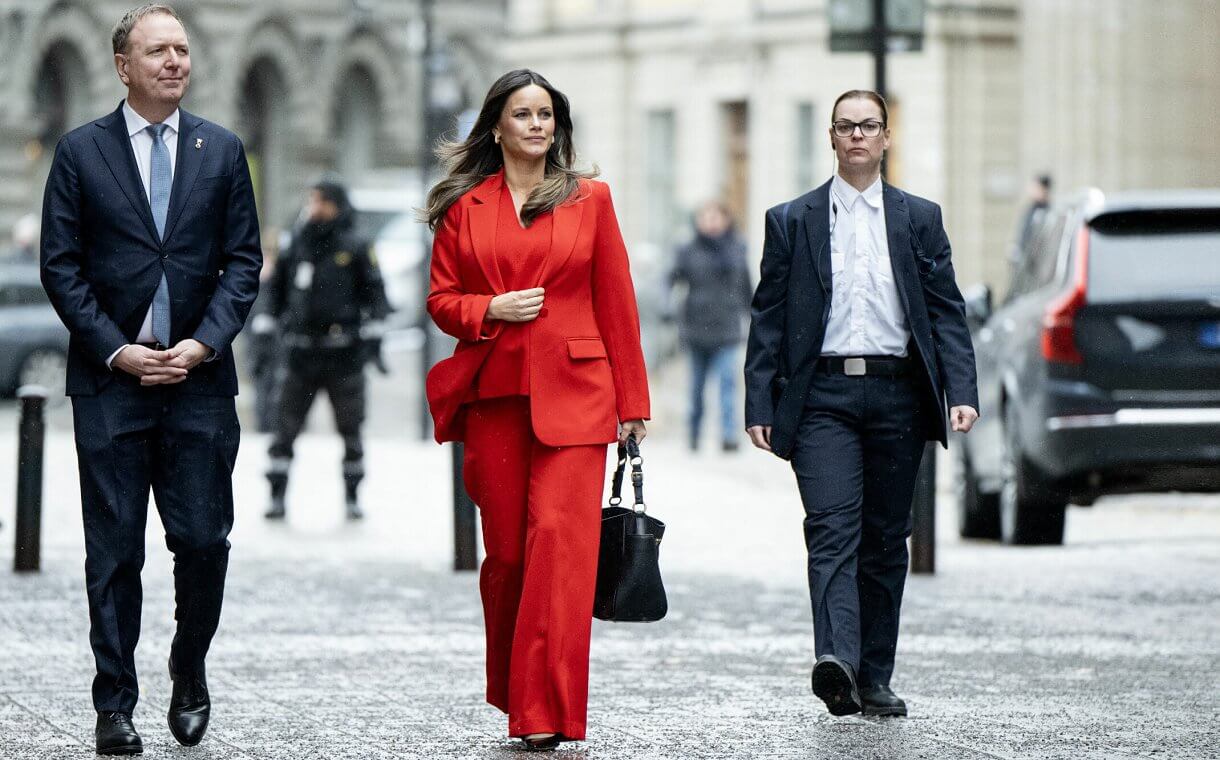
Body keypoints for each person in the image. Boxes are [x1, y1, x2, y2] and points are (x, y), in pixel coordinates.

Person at [38, 4, 261, 755]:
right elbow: (61, 269)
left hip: (198, 381)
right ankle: (115, 704)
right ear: (123, 65)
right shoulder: (79, 152)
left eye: (182, 50)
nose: (175, 62)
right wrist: (114, 349)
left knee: (202, 541)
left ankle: (188, 669)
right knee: (116, 552)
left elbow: (243, 264)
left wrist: (202, 343)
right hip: (112, 385)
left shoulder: (222, 149)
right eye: (158, 51)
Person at [423, 68, 650, 751]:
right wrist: (488, 308)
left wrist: (633, 402)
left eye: (546, 114)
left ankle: (544, 712)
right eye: (522, 113)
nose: (536, 124)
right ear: (497, 125)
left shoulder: (591, 199)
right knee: (510, 559)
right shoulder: (467, 207)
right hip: (495, 396)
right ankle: (515, 686)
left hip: (578, 397)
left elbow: (618, 301)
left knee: (559, 545)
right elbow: (441, 301)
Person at [744, 90, 978, 719]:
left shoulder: (919, 218)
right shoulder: (791, 219)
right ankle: (837, 662)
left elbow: (945, 310)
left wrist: (962, 391)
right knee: (831, 528)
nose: (857, 137)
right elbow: (767, 317)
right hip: (821, 396)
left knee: (884, 538)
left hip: (899, 393)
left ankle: (874, 676)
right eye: (845, 127)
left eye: (868, 126)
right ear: (831, 137)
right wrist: (758, 400)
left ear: (885, 137)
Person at [264, 180, 391, 521]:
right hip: (301, 352)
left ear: (336, 205)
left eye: (320, 201)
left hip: (343, 353)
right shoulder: (298, 242)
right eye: (312, 200)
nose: (314, 207)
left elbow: (377, 294)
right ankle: (276, 495)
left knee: (350, 429)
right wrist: (267, 329)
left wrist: (375, 340)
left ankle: (352, 496)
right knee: (284, 429)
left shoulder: (356, 244)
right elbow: (275, 291)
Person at [667, 200, 752, 452]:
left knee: (728, 383)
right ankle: (693, 433)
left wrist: (756, 316)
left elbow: (746, 285)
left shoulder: (737, 248)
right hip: (696, 327)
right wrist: (667, 309)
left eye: (716, 216)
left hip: (727, 327)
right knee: (696, 387)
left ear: (726, 219)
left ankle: (729, 436)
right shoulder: (687, 250)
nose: (711, 221)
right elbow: (670, 279)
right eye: (706, 216)